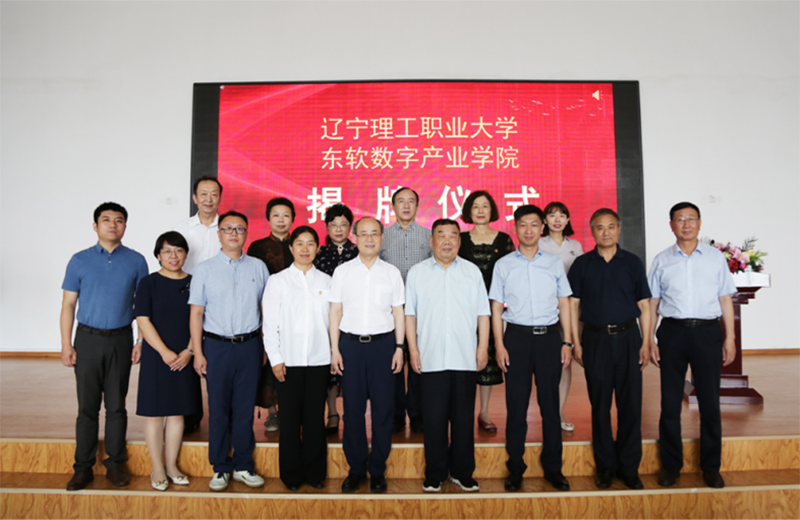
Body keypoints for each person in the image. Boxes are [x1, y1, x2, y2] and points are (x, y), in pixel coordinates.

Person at [60, 202, 149, 491]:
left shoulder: (136, 261)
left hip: (121, 339)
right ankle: (83, 468)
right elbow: (68, 304)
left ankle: (115, 464)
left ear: (125, 226)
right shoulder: (79, 260)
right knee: (87, 408)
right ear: (95, 226)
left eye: (119, 220)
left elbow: (142, 306)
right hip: (87, 339)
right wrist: (66, 344)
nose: (113, 224)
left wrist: (140, 340)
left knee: (116, 406)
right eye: (106, 219)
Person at [648, 202, 736, 490]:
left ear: (699, 223)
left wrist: (730, 338)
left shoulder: (715, 258)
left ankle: (711, 467)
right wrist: (649, 339)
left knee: (710, 403)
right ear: (671, 225)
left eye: (691, 219)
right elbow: (653, 303)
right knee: (670, 403)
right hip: (672, 333)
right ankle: (671, 466)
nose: (686, 224)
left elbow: (725, 298)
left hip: (707, 333)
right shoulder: (662, 260)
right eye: (680, 219)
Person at [489, 204, 574, 493]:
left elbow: (564, 303)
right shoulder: (503, 265)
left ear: (542, 228)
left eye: (534, 224)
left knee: (550, 407)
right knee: (516, 408)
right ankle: (515, 468)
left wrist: (567, 341)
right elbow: (496, 307)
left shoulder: (553, 263)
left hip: (549, 339)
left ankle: (554, 468)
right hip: (517, 339)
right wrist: (499, 345)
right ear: (515, 228)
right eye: (523, 224)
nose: (528, 230)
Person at [567, 208, 651, 490]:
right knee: (600, 407)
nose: (606, 232)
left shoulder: (632, 263)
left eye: (611, 226)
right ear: (592, 231)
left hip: (629, 339)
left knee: (631, 405)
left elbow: (644, 305)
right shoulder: (582, 264)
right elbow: (573, 305)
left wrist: (646, 341)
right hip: (595, 340)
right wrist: (575, 342)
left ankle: (629, 468)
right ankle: (605, 468)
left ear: (619, 229)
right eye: (600, 227)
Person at [406, 219, 490, 493]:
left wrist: (482, 348)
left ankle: (463, 472)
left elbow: (483, 313)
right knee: (434, 420)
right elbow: (410, 315)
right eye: (440, 235)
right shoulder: (417, 273)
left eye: (453, 235)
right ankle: (435, 473)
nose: (447, 241)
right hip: (430, 357)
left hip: (465, 357)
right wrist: (413, 350)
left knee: (463, 420)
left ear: (459, 242)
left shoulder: (471, 272)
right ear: (431, 241)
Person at [189, 210, 269, 492]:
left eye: (239, 229)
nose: (234, 233)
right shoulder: (204, 269)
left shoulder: (258, 267)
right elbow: (196, 313)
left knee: (245, 409)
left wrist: (264, 346)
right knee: (219, 410)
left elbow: (265, 309)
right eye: (228, 229)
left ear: (247, 233)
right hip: (216, 347)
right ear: (219, 234)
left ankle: (244, 465)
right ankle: (221, 467)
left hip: (249, 346)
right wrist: (198, 352)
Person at [330, 217, 405, 494]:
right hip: (350, 346)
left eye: (374, 234)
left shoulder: (392, 273)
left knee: (384, 411)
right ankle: (356, 469)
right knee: (353, 410)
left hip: (383, 346)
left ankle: (377, 470)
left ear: (382, 238)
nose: (369, 239)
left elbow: (398, 312)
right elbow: (335, 311)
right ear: (355, 238)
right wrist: (335, 349)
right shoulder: (342, 272)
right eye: (364, 234)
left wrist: (399, 348)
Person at [263, 226, 332, 491]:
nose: (305, 249)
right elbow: (270, 325)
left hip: (319, 360)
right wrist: (275, 358)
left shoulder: (327, 281)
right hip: (287, 361)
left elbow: (332, 323)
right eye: (299, 243)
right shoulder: (278, 281)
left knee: (315, 419)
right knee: (290, 420)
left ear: (317, 248)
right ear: (291, 248)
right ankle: (291, 475)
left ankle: (315, 473)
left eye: (310, 243)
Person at [135, 231, 200, 491]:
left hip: (185, 355)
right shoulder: (148, 283)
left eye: (178, 250)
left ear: (186, 254)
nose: (173, 256)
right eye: (167, 251)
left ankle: (172, 466)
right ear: (158, 255)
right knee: (154, 414)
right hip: (157, 355)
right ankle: (158, 468)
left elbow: (201, 319)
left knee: (177, 413)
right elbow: (143, 319)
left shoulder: (195, 282)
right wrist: (163, 352)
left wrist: (189, 351)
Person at [457, 190, 514, 433]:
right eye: (475, 206)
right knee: (464, 358)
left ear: (492, 211)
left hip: (493, 311)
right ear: (468, 211)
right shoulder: (459, 238)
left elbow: (512, 275)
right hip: (462, 309)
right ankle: (462, 412)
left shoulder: (504, 240)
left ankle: (484, 412)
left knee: (488, 360)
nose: (480, 211)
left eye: (485, 206)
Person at [379, 187, 432, 434]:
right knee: (395, 364)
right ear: (393, 206)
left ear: (418, 206)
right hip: (391, 310)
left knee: (419, 363)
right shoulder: (383, 236)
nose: (406, 205)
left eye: (411, 201)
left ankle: (419, 414)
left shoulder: (429, 235)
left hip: (422, 309)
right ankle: (396, 415)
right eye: (401, 201)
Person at [173, 174, 222, 434]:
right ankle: (190, 414)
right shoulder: (182, 229)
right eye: (203, 194)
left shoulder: (227, 228)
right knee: (188, 352)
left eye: (214, 194)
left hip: (219, 300)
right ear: (194, 198)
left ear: (220, 198)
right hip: (188, 297)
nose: (208, 199)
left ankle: (220, 415)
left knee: (214, 356)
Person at [248, 197, 296, 432]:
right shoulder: (257, 248)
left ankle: (292, 409)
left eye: (286, 215)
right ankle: (272, 413)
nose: (281, 220)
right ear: (268, 218)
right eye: (276, 215)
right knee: (270, 362)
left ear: (293, 219)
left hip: (296, 312)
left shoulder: (299, 243)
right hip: (267, 310)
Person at [313, 203, 358, 436]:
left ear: (350, 227)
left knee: (349, 369)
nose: (338, 229)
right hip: (324, 316)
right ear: (327, 227)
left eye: (343, 225)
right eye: (333, 225)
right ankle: (331, 412)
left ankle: (351, 414)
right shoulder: (318, 253)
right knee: (327, 366)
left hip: (353, 318)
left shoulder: (359, 252)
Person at [539, 201, 584, 433]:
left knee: (566, 362)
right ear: (544, 221)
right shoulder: (538, 243)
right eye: (552, 215)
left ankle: (559, 411)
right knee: (547, 364)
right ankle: (547, 412)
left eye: (562, 215)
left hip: (572, 310)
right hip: (546, 310)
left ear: (567, 220)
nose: (557, 219)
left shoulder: (575, 245)